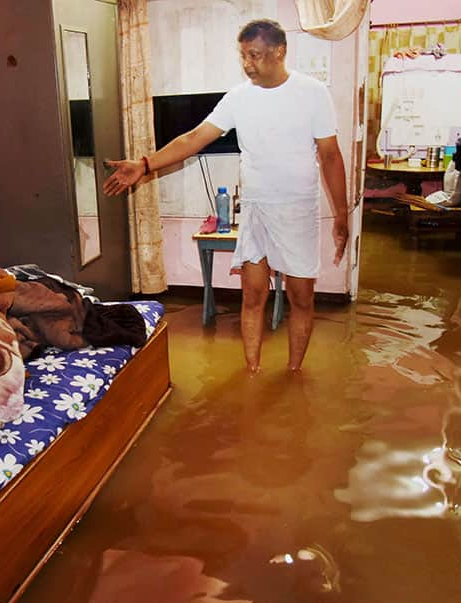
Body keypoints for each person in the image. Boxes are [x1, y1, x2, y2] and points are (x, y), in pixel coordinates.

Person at [103, 18, 349, 375]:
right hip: (256, 208)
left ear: (279, 52)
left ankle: (294, 373)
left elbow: (330, 155)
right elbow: (194, 138)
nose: (247, 63)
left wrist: (340, 214)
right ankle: (252, 372)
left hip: (297, 209)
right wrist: (144, 164)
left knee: (301, 298)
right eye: (243, 56)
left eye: (254, 55)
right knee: (252, 295)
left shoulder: (312, 92)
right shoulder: (239, 97)